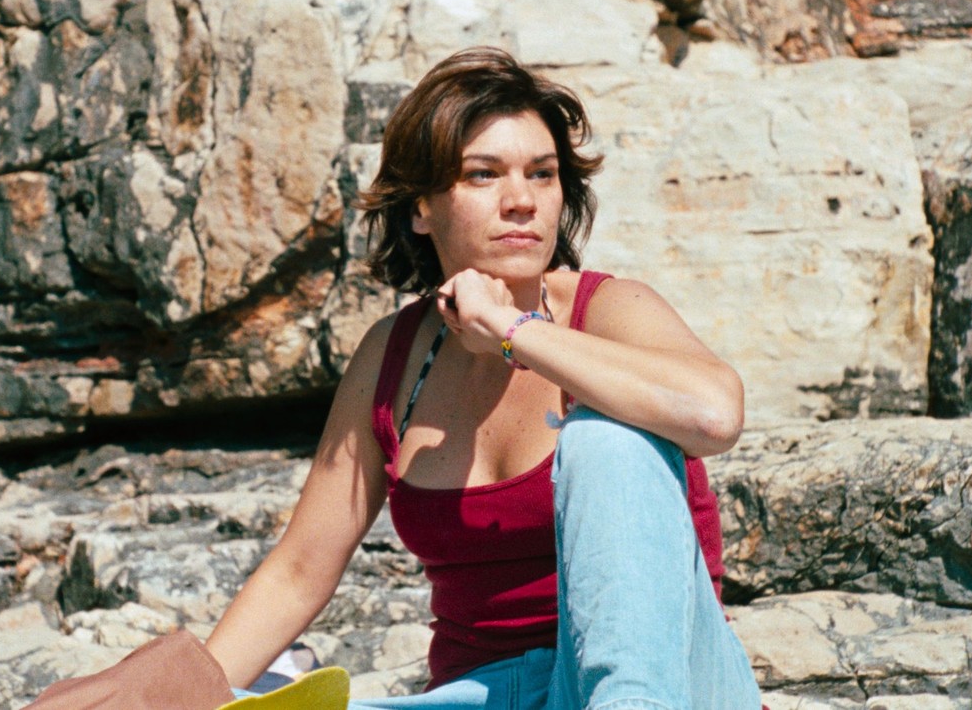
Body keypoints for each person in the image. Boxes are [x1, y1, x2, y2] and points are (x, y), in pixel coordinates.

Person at [205, 47, 761, 709]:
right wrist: (190, 694)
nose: (521, 201)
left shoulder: (611, 310)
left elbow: (714, 415)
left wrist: (511, 328)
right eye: (483, 175)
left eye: (542, 174)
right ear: (421, 207)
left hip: (669, 687)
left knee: (605, 439)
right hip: (485, 695)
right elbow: (298, 572)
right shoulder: (393, 356)